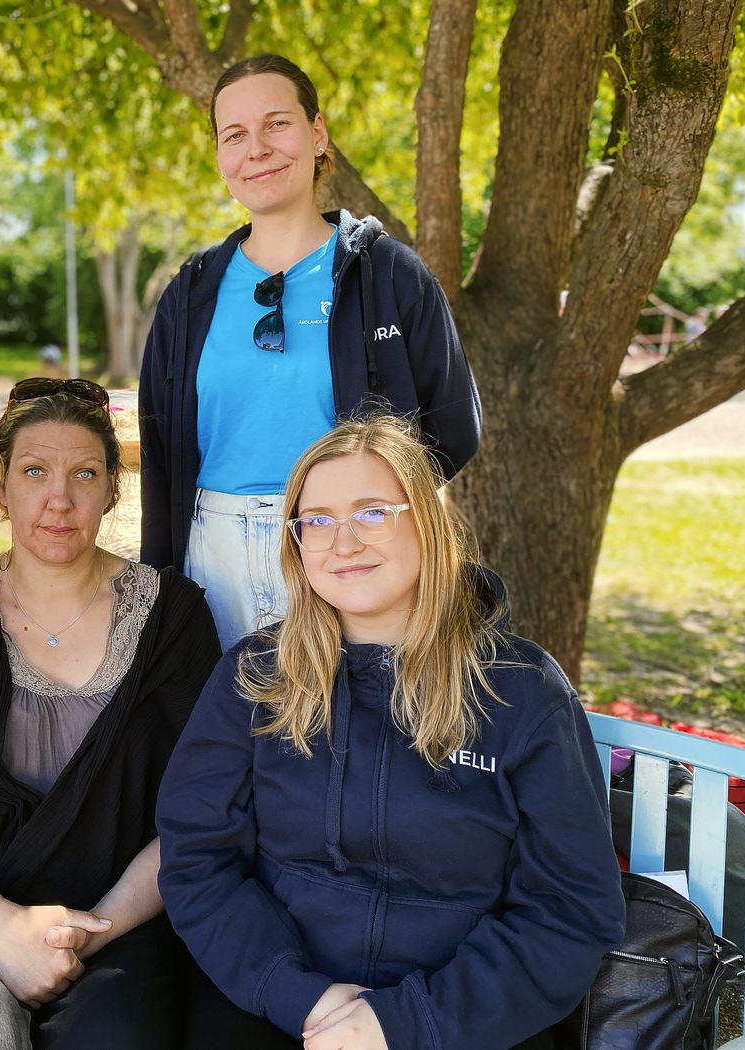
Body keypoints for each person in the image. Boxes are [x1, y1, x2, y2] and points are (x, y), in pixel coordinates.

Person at [156, 416, 625, 1050]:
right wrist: (300, 996)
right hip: (277, 1003)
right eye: (316, 520)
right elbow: (197, 860)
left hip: (464, 1020)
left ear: (428, 526)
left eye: (372, 513)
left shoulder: (521, 691)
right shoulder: (256, 678)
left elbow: (569, 912)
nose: (342, 541)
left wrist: (402, 1023)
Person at [0, 377, 221, 1050]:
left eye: (84, 474)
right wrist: (2, 931)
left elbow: (203, 807)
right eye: (34, 470)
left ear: (112, 490)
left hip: (125, 915)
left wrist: (91, 928)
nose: (59, 499)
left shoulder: (173, 617)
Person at [139, 53, 482, 650]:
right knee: (227, 735)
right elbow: (163, 448)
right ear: (220, 156)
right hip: (213, 553)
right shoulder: (190, 293)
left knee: (343, 731)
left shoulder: (387, 274)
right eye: (235, 135)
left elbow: (453, 425)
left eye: (277, 124)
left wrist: (367, 520)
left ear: (317, 133)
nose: (257, 149)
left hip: (341, 547)